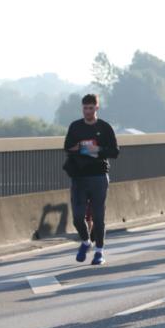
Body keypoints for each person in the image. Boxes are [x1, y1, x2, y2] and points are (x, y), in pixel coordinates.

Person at [63, 94, 120, 266]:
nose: (87, 111)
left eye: (91, 108)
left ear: (97, 108)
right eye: (85, 108)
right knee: (78, 217)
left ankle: (99, 252)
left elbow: (115, 151)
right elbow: (67, 148)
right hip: (79, 177)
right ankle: (86, 241)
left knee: (98, 215)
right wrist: (83, 148)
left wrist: (98, 149)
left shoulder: (105, 127)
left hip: (98, 176)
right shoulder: (75, 127)